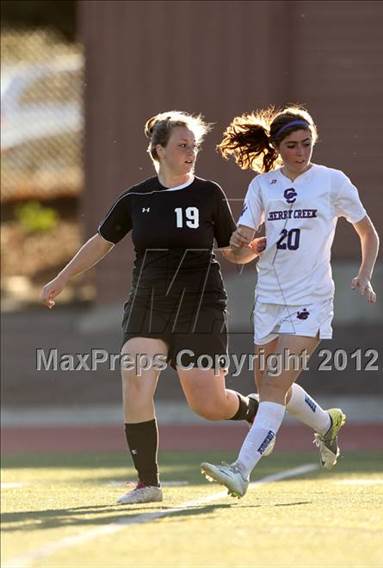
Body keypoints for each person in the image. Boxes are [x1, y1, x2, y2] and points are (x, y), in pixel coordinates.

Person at [41, 110, 274, 505]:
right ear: (159, 150)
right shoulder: (137, 198)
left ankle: (258, 413)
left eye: (194, 146)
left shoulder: (209, 194)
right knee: (134, 379)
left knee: (209, 405)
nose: (191, 152)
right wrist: (62, 278)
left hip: (201, 304)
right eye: (183, 145)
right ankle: (148, 483)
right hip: (149, 303)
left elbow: (230, 252)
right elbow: (100, 242)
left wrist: (250, 252)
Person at [201, 104, 380, 497]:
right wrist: (238, 247)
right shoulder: (263, 186)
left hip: (311, 298)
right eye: (293, 146)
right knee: (268, 384)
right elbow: (244, 246)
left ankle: (241, 470)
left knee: (274, 386)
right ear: (278, 148)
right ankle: (325, 425)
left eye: (307, 144)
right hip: (268, 299)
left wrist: (364, 274)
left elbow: (368, 232)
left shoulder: (332, 182)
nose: (302, 152)